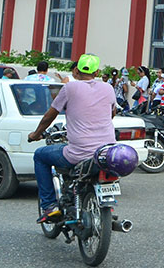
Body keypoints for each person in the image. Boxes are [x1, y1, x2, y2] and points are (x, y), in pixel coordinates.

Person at [26, 54, 116, 223]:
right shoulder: (108, 88)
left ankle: (49, 206)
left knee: (40, 155)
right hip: (106, 153)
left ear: (76, 70)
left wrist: (36, 134)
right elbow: (112, 113)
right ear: (97, 72)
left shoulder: (69, 88)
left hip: (79, 153)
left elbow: (49, 117)